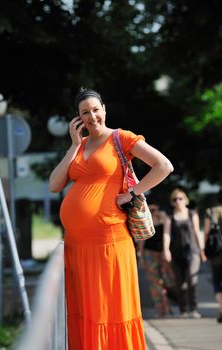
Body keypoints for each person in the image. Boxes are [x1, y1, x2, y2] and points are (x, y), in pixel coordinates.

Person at [49, 88, 174, 350]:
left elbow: (164, 166)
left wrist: (131, 194)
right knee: (87, 310)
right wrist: (73, 145)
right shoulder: (79, 146)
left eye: (96, 110)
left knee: (109, 309)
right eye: (85, 113)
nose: (92, 116)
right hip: (77, 245)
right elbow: (54, 184)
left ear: (104, 109)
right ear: (78, 119)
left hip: (109, 240)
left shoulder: (121, 138)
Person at [163, 188, 205, 319]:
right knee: (180, 282)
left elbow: (198, 232)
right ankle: (183, 310)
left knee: (192, 279)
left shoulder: (192, 214)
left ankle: (193, 308)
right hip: (176, 253)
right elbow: (166, 234)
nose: (178, 201)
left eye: (180, 198)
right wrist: (166, 250)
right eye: (175, 199)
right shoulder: (170, 217)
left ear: (185, 200)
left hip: (193, 251)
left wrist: (202, 250)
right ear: (172, 202)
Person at [137, 197, 176, 318]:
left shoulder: (164, 219)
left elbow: (167, 234)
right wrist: (141, 257)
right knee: (155, 284)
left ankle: (167, 308)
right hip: (149, 254)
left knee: (166, 281)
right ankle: (161, 310)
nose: (153, 212)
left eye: (155, 210)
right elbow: (142, 241)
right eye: (151, 209)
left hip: (163, 254)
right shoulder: (146, 220)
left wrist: (162, 218)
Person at [203, 189, 222, 323]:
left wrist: (204, 249)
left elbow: (206, 232)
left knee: (217, 280)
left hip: (217, 252)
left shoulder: (210, 211)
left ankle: (221, 309)